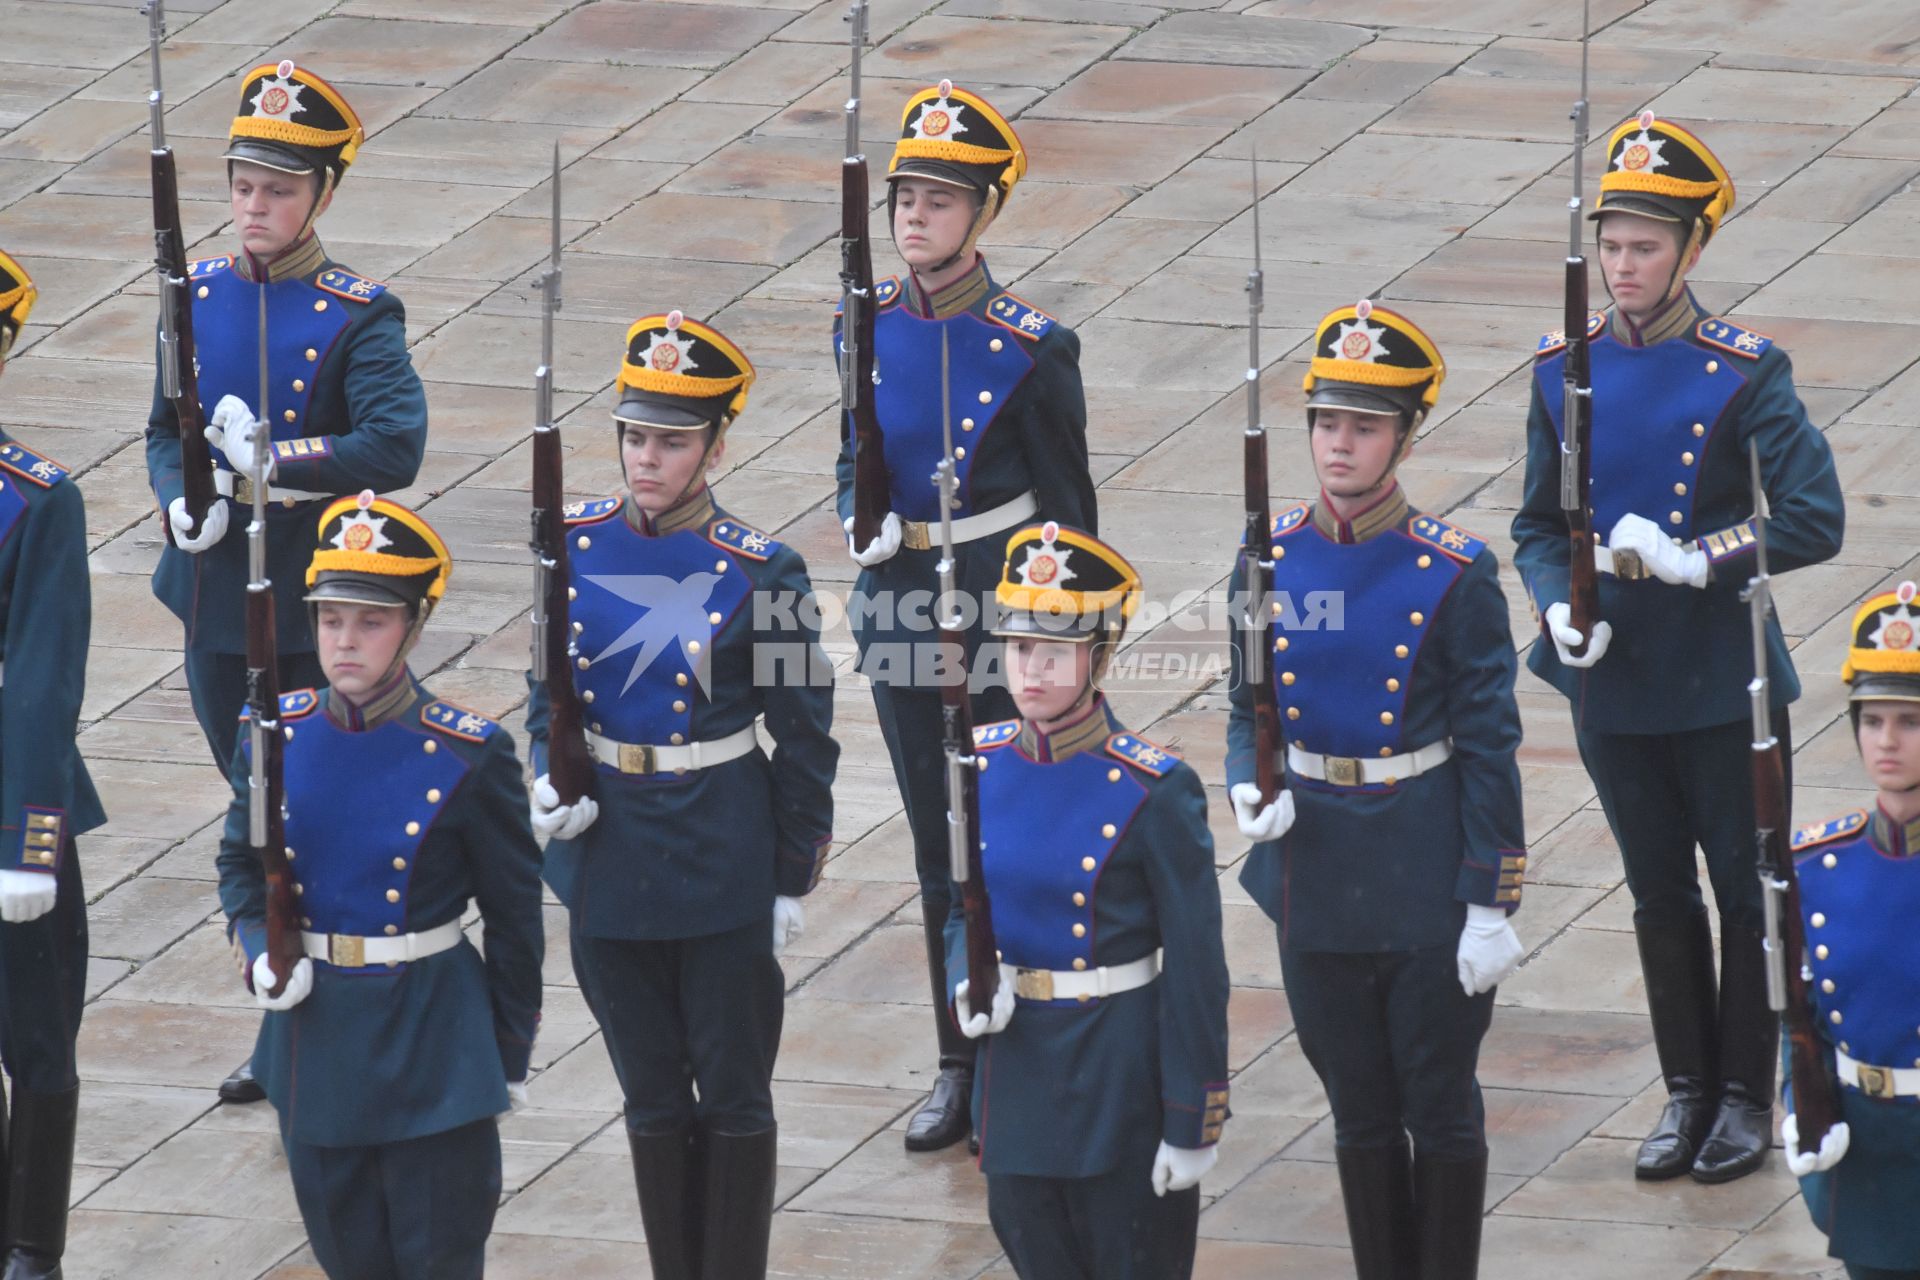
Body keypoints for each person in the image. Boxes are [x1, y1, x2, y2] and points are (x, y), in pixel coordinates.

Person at [1512, 114, 1844, 1183]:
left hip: (1719, 674)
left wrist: (1705, 557)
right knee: (1658, 891)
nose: (1625, 266)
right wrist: (1551, 605)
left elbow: (1813, 514)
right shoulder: (1560, 374)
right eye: (1612, 245)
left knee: (1748, 888)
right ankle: (1685, 1086)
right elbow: (1531, 524)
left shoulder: (1741, 371)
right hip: (1613, 674)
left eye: (1647, 246)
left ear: (1692, 249)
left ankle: (1748, 1089)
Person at [526, 313, 836, 1280]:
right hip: (611, 859)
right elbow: (549, 693)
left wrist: (791, 871)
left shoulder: (766, 569)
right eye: (634, 435)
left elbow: (808, 732)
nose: (645, 458)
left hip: (720, 858)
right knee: (653, 1100)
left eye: (670, 439)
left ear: (715, 445)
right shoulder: (570, 544)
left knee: (736, 1100)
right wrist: (547, 773)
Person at [143, 59, 429, 1105]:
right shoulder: (198, 296)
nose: (256, 207)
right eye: (244, 186)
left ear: (319, 195)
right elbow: (160, 427)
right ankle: (287, 1019)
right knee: (254, 812)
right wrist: (182, 494)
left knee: (327, 814)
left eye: (279, 189)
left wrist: (280, 461)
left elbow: (395, 444)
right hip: (219, 599)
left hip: (319, 601)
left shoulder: (358, 313)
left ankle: (363, 1016)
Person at [1228, 303, 1526, 1280]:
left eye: (1363, 425)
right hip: (1317, 868)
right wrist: (1248, 782)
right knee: (1357, 1109)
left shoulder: (1453, 571)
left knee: (1437, 1105)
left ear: (1402, 434)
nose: (1339, 443)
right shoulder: (1266, 557)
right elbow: (1247, 700)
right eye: (1326, 423)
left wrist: (1492, 892)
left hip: (1422, 867)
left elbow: (1489, 742)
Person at [836, 78, 1096, 1154]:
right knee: (937, 842)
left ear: (983, 214)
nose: (914, 218)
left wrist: (1066, 639)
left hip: (1004, 610)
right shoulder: (864, 323)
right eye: (905, 198)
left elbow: (1074, 516)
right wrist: (862, 522)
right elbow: (858, 454)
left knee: (1015, 832)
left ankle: (1033, 1044)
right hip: (905, 604)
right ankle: (958, 1055)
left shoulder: (1033, 348)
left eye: (939, 201)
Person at [214, 493, 543, 1280]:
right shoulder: (274, 735)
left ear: (412, 629)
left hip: (433, 1041)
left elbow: (515, 916)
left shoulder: (468, 755)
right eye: (331, 621)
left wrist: (505, 1054)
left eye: (369, 622)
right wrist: (260, 952)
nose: (345, 641)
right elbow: (237, 864)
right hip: (316, 1043)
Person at [948, 521, 1228, 1279]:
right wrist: (962, 981)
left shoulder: (1153, 790)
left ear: (1098, 656)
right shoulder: (978, 764)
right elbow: (959, 905)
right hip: (1020, 1078)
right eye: (1016, 647)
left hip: (1115, 1080)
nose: (1028, 669)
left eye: (1053, 651)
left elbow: (1198, 968)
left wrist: (1191, 1117)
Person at [0, 248, 104, 1280]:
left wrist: (30, 841)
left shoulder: (33, 502)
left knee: (35, 1035)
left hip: (7, 804)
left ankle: (32, 1240)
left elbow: (39, 688)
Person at [1783, 582, 1920, 1280]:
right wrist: (1797, 1109)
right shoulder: (1815, 864)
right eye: (1872, 720)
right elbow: (1799, 1019)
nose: (1887, 741)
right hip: (1866, 1153)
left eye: (1909, 721)